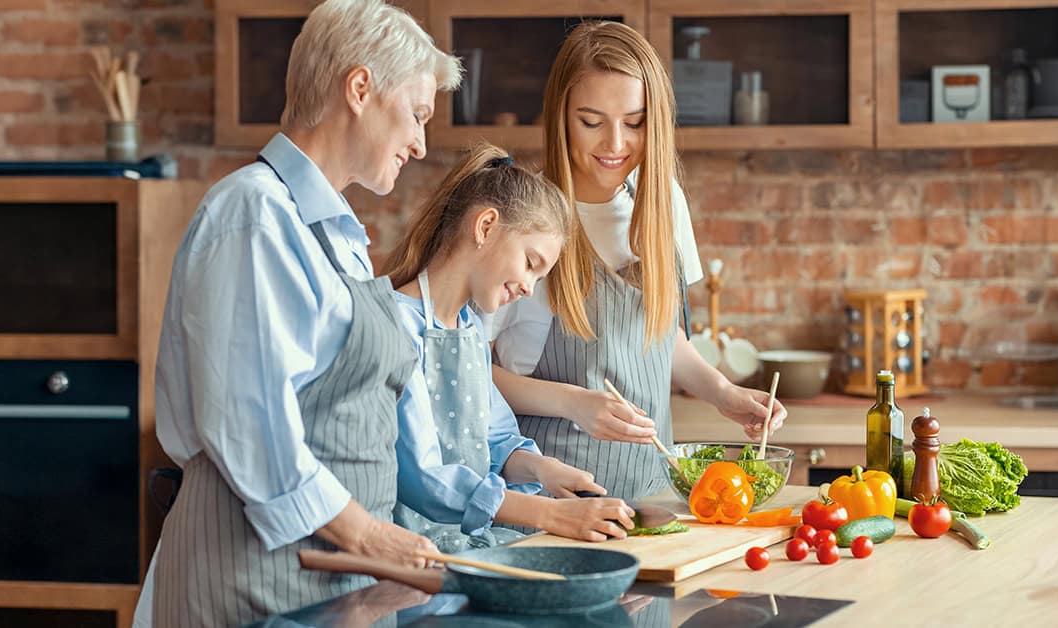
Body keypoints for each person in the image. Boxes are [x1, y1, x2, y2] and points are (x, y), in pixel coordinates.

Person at [140, 1, 461, 625]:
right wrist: (367, 536)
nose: (421, 143)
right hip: (252, 574)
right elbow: (247, 422)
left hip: (325, 578)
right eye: (417, 115)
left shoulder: (335, 233)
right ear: (360, 88)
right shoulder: (253, 215)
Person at [488, 21, 788, 502]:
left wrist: (722, 393)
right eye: (591, 121)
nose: (614, 144)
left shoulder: (662, 203)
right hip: (550, 504)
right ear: (560, 116)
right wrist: (573, 402)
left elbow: (660, 338)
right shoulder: (525, 218)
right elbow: (472, 370)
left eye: (634, 122)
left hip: (654, 496)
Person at [382, 143, 636, 552]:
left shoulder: (467, 329)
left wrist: (544, 468)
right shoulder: (392, 323)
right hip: (409, 554)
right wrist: (550, 515)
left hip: (465, 546)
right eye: (531, 263)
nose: (528, 288)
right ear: (485, 226)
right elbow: (421, 477)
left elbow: (495, 439)